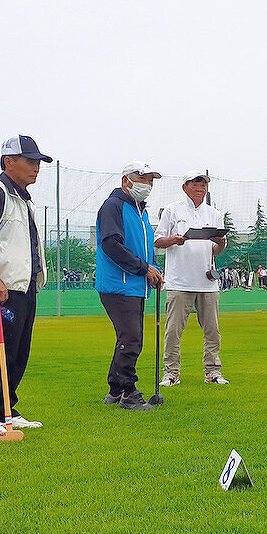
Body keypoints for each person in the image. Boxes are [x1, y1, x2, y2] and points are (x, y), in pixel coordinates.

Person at [0, 135, 51, 439]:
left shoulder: (24, 199)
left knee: (18, 352)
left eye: (38, 162)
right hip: (3, 288)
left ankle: (7, 410)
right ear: (8, 162)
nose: (36, 167)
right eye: (30, 161)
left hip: (24, 287)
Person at [96, 162, 164, 410]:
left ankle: (115, 389)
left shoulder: (141, 211)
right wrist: (143, 268)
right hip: (118, 285)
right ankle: (129, 393)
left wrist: (153, 269)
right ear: (126, 180)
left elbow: (142, 247)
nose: (148, 184)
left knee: (128, 338)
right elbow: (111, 245)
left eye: (151, 180)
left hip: (134, 285)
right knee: (132, 339)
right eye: (142, 178)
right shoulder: (113, 206)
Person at [154, 170, 229, 387]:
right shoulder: (172, 210)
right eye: (195, 184)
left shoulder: (214, 213)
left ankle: (213, 372)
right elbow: (158, 241)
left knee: (212, 332)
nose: (200, 188)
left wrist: (221, 242)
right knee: (173, 332)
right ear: (185, 187)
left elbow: (216, 250)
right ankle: (171, 373)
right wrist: (175, 240)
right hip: (179, 282)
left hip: (207, 283)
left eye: (203, 185)